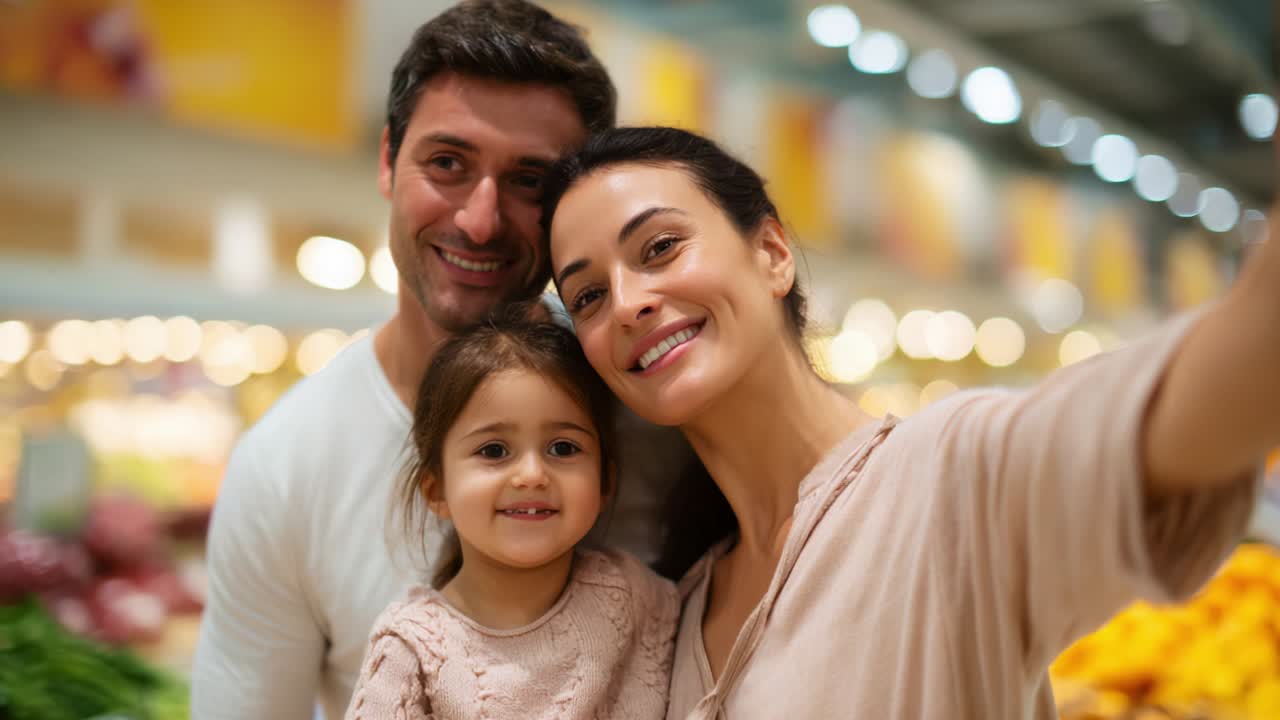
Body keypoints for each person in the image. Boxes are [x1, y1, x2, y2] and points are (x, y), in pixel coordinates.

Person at [541, 126, 1277, 718]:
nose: (629, 300)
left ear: (771, 253)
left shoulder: (949, 479)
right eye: (588, 296)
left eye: (660, 247)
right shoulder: (681, 601)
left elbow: (1220, 387)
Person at [192, 4, 690, 718]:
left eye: (530, 182)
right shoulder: (285, 467)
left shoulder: (651, 402)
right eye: (448, 163)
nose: (480, 220)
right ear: (389, 161)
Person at [345, 314, 678, 719]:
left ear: (604, 481)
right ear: (437, 491)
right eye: (494, 451)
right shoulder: (410, 648)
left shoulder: (637, 595)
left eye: (562, 448)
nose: (532, 475)